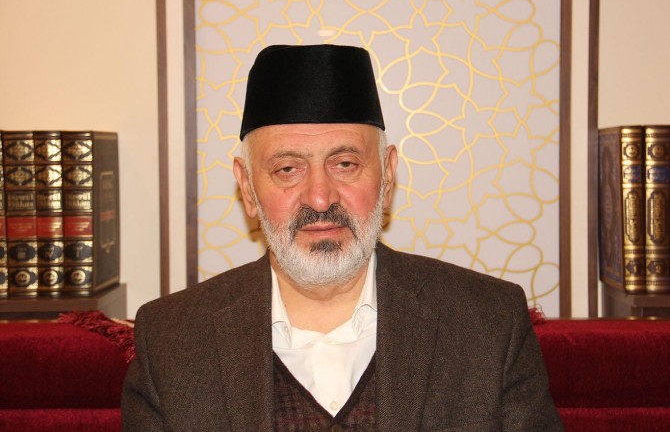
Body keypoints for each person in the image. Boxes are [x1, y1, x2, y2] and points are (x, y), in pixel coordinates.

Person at [122, 44, 563, 431]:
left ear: (387, 175)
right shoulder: (171, 342)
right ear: (248, 189)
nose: (319, 197)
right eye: (287, 169)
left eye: (345, 164)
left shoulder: (488, 325)